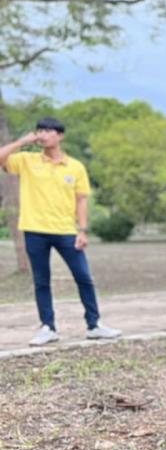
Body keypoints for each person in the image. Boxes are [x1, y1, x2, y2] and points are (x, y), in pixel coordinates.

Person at [0, 117, 122, 346]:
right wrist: (22, 141)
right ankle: (48, 327)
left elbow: (82, 201)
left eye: (48, 131)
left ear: (60, 135)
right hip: (34, 230)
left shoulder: (75, 167)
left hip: (66, 231)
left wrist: (83, 230)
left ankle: (94, 325)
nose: (42, 135)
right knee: (42, 280)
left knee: (84, 277)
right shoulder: (27, 160)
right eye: (39, 131)